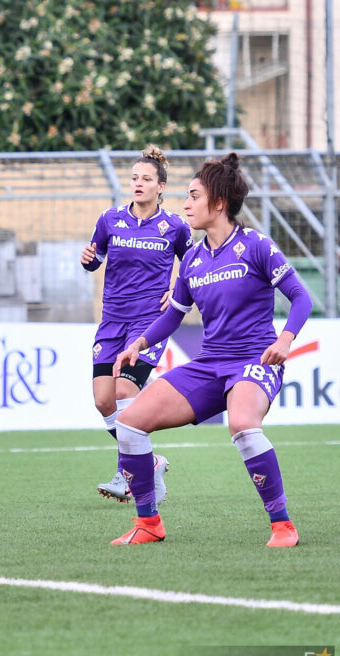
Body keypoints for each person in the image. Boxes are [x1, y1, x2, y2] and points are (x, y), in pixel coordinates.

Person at [111, 152, 312, 547]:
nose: (185, 204)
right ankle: (148, 522)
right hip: (210, 364)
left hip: (254, 360)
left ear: (218, 203)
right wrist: (139, 342)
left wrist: (285, 338)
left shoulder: (256, 246)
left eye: (193, 196)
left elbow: (300, 297)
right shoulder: (193, 261)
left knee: (242, 425)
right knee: (129, 423)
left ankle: (282, 526)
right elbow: (173, 317)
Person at [81, 145, 192, 503]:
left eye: (146, 179)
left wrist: (177, 287)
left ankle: (126, 470)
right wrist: (88, 260)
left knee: (125, 392)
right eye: (134, 178)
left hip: (148, 322)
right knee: (103, 401)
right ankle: (151, 461)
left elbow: (194, 265)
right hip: (112, 320)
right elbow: (94, 260)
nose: (138, 183)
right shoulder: (110, 219)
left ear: (161, 186)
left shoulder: (174, 226)